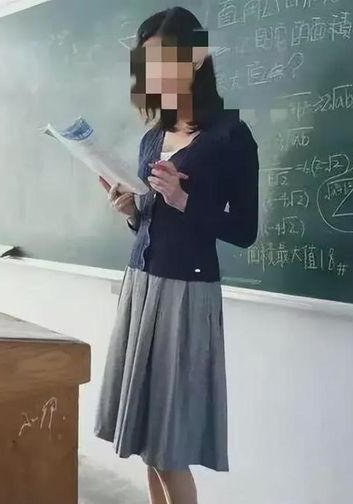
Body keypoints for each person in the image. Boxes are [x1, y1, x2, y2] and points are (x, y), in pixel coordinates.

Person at [94, 6, 259, 504]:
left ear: (197, 58)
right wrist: (131, 211)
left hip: (187, 294)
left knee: (168, 447)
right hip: (141, 286)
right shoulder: (152, 139)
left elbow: (245, 231)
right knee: (146, 440)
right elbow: (151, 218)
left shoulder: (230, 136)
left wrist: (185, 200)